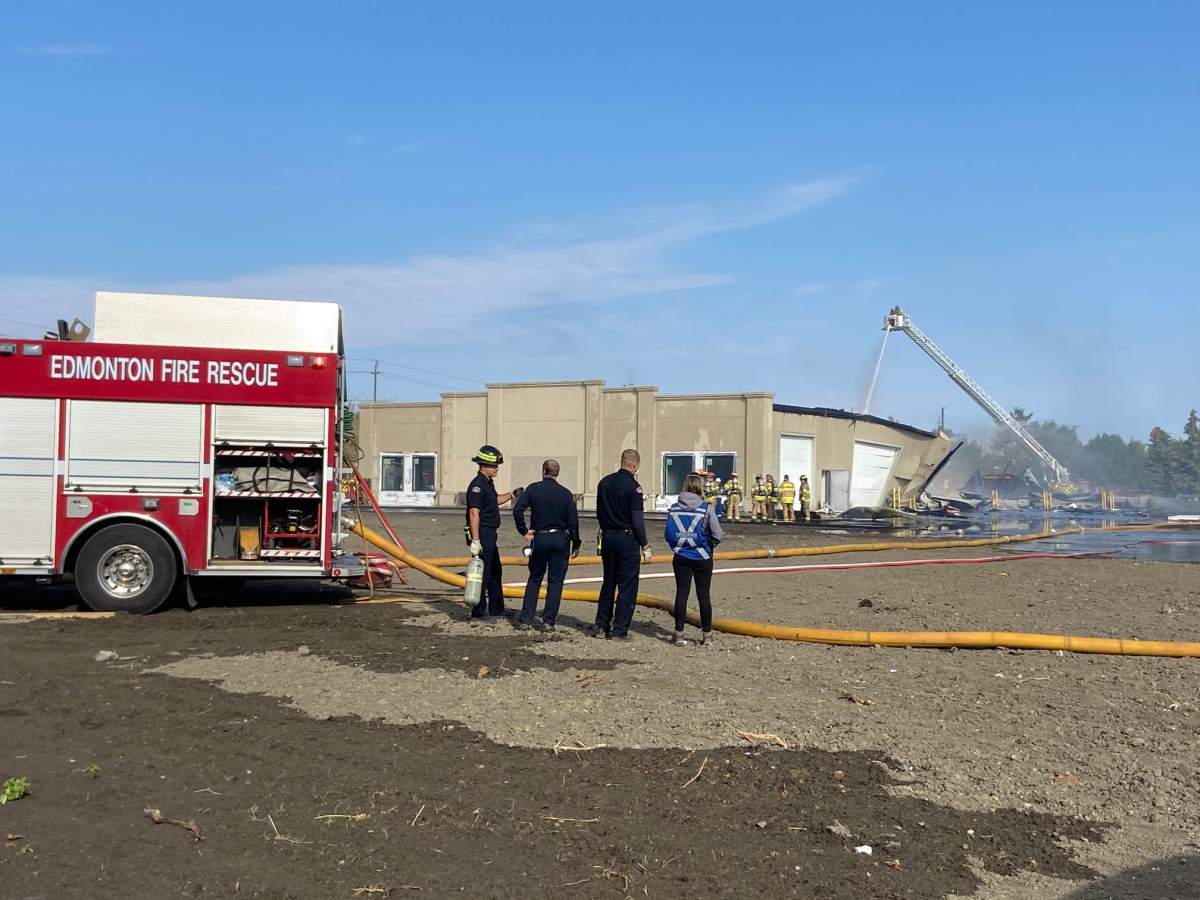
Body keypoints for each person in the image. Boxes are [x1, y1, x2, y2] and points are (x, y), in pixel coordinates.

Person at [512, 459, 581, 632]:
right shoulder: (565, 494)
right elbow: (573, 521)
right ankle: (548, 621)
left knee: (535, 578)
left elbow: (517, 509)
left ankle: (526, 619)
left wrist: (524, 530)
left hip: (540, 538)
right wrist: (576, 542)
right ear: (557, 473)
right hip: (560, 539)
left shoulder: (533, 489)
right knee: (555, 582)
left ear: (543, 471)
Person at [592, 448, 651, 640]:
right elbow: (637, 520)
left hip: (608, 537)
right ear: (634, 465)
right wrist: (644, 543)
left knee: (608, 582)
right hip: (626, 539)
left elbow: (599, 513)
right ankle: (619, 630)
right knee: (627, 585)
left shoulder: (604, 483)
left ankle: (601, 625)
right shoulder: (634, 487)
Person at [465, 445, 522, 622]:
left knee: (495, 571)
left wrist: (512, 494)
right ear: (483, 466)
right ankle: (478, 612)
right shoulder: (477, 486)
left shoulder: (487, 483)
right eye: (494, 465)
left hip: (490, 534)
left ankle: (497, 608)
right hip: (482, 534)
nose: (497, 468)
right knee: (484, 572)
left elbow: (495, 500)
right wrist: (475, 540)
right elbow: (474, 513)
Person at [665, 473, 723, 645]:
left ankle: (679, 634)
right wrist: (709, 546)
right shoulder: (706, 509)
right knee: (703, 596)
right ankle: (707, 635)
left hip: (681, 556)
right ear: (700, 488)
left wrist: (679, 547)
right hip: (703, 557)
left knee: (681, 594)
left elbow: (668, 534)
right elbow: (717, 534)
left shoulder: (674, 508)